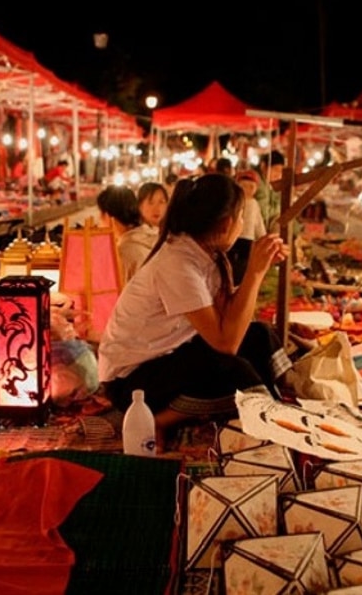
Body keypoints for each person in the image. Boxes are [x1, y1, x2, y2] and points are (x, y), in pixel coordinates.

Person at [97, 173, 291, 449]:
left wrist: (257, 270)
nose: (242, 224)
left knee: (258, 335)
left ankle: (281, 397)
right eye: (241, 216)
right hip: (130, 381)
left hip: (168, 357)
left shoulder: (207, 254)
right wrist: (254, 273)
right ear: (226, 223)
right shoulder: (179, 263)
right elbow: (225, 343)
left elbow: (229, 320)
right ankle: (159, 419)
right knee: (233, 370)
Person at [118, 181, 169, 282]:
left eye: (161, 202)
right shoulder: (132, 242)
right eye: (151, 202)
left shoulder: (172, 238)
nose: (157, 208)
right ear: (140, 206)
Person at [228, 169, 267, 285]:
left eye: (251, 187)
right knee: (231, 261)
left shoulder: (254, 204)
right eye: (244, 186)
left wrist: (263, 237)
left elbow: (258, 222)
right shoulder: (234, 202)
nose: (247, 189)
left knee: (244, 263)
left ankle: (239, 282)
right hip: (233, 236)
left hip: (248, 239)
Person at [254, 149, 285, 232]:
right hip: (258, 224)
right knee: (279, 222)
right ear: (263, 166)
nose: (278, 174)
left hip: (266, 222)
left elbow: (280, 202)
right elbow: (264, 212)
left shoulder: (270, 184)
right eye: (275, 170)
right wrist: (280, 210)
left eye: (281, 171)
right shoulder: (257, 181)